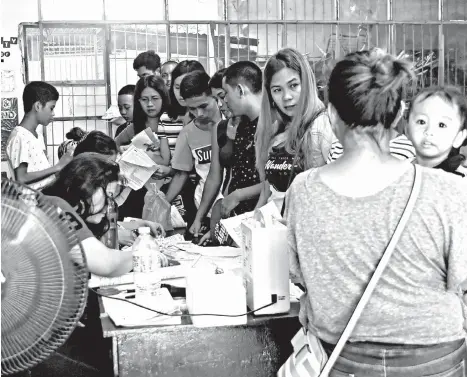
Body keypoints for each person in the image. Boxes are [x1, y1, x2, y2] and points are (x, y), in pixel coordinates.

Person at [285, 49, 467, 376]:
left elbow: (299, 276)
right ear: (399, 114)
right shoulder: (449, 190)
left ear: (331, 113)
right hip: (432, 362)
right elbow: (462, 282)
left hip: (343, 360)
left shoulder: (304, 189)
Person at [192, 62, 263, 242]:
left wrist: (240, 196)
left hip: (259, 216)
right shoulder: (228, 128)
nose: (223, 104)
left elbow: (274, 183)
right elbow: (216, 177)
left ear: (239, 90)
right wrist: (204, 220)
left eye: (224, 96)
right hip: (232, 212)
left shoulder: (269, 125)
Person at [255, 48, 334, 211]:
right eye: (277, 90)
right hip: (274, 230)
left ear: (306, 83)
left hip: (306, 230)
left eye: (293, 85)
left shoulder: (321, 126)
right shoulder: (275, 130)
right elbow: (268, 190)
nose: (286, 96)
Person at [165, 70, 222, 231]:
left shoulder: (231, 125)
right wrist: (163, 203)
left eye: (204, 106)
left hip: (231, 205)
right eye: (192, 109)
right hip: (205, 208)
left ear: (215, 97)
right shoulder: (188, 133)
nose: (199, 114)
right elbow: (181, 173)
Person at [6, 81, 72, 190]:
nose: (53, 113)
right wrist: (58, 167)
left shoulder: (37, 136)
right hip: (32, 204)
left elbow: (42, 174)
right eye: (51, 108)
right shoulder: (19, 136)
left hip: (45, 197)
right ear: (38, 106)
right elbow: (21, 178)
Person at [405, 85, 467, 177]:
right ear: (407, 130)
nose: (429, 131)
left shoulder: (461, 181)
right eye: (421, 122)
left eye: (441, 125)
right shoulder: (399, 170)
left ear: (459, 137)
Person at [115, 75, 170, 167]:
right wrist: (123, 150)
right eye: (144, 99)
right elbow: (114, 144)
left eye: (155, 98)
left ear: (163, 98)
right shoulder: (134, 127)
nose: (150, 104)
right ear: (138, 101)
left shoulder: (172, 123)